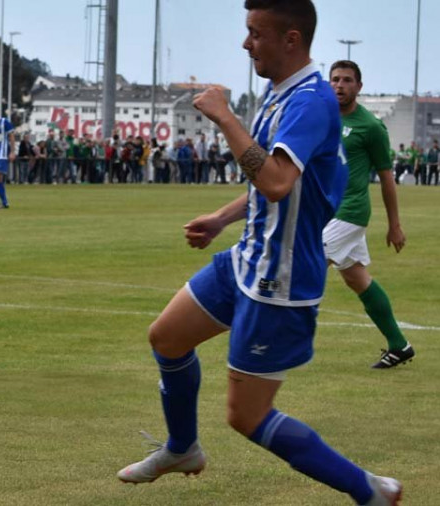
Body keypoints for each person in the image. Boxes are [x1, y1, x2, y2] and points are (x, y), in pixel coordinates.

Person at [116, 2, 402, 505]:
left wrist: (225, 117)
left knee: (245, 417)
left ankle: (370, 491)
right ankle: (182, 448)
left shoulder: (311, 102)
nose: (246, 43)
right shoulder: (278, 92)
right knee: (166, 338)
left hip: (283, 279)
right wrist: (222, 219)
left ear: (291, 39)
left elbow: (274, 181)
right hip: (248, 258)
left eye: (255, 33)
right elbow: (280, 185)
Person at [326, 60, 413, 369]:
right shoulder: (322, 118)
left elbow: (387, 177)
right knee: (356, 277)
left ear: (358, 87)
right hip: (325, 210)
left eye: (347, 80)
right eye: (335, 79)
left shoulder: (371, 127)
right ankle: (399, 345)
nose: (340, 85)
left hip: (350, 211)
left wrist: (395, 225)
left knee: (307, 263)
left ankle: (278, 341)